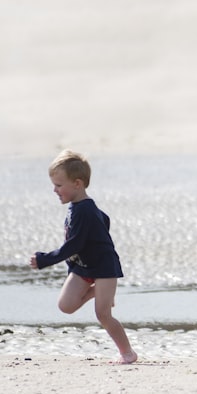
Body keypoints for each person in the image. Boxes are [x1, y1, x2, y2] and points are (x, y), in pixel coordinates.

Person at [30, 150, 138, 365]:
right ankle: (99, 292)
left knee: (103, 314)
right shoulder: (77, 207)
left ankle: (127, 353)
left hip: (104, 266)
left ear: (77, 184)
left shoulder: (85, 210)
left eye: (59, 185)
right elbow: (104, 220)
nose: (55, 190)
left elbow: (74, 244)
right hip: (82, 267)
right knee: (66, 306)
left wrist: (45, 260)